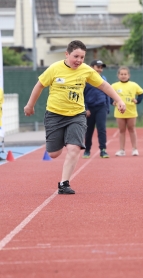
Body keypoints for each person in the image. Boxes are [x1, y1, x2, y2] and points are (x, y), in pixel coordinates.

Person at [24, 40, 126, 194]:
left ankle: (64, 184)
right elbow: (39, 85)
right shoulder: (54, 68)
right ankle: (64, 139)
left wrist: (118, 100)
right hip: (55, 114)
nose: (79, 60)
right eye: (76, 56)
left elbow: (104, 85)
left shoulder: (86, 70)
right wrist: (30, 105)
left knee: (74, 148)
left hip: (77, 115)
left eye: (82, 57)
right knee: (54, 153)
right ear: (67, 54)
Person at [112, 66, 143, 156]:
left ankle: (134, 149)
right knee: (122, 130)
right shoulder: (114, 86)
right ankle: (122, 150)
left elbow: (141, 93)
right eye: (121, 74)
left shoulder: (133, 85)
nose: (123, 76)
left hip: (131, 111)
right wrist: (112, 102)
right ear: (118, 75)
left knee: (132, 129)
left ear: (129, 75)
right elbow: (108, 95)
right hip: (119, 112)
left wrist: (137, 101)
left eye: (125, 74)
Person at [83, 60, 110, 159]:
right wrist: (86, 108)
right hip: (90, 108)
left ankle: (103, 150)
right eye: (98, 66)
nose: (100, 69)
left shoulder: (103, 79)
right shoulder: (86, 79)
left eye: (101, 67)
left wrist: (107, 107)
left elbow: (107, 93)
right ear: (91, 67)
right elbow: (82, 95)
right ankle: (87, 150)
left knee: (102, 129)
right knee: (89, 130)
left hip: (101, 107)